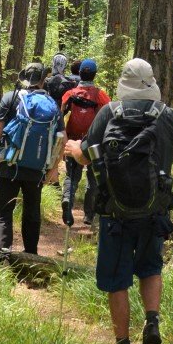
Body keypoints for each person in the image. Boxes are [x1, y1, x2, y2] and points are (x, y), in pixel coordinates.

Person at [65, 57, 173, 344]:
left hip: (114, 212)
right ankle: (152, 322)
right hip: (154, 213)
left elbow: (85, 157)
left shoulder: (110, 112)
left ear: (123, 84)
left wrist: (73, 150)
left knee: (116, 280)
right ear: (152, 83)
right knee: (150, 268)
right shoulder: (168, 116)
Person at [0, 62, 64, 257]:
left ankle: (1, 256)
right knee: (32, 211)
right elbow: (61, 139)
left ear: (24, 78)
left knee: (3, 211)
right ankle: (31, 255)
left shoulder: (10, 97)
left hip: (10, 163)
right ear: (43, 80)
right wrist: (54, 168)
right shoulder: (52, 105)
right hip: (37, 166)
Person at [60, 59, 110, 228]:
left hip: (73, 139)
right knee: (94, 178)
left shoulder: (70, 93)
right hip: (94, 142)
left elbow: (60, 115)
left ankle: (67, 200)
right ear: (94, 75)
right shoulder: (101, 95)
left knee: (71, 176)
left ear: (79, 73)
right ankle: (89, 214)